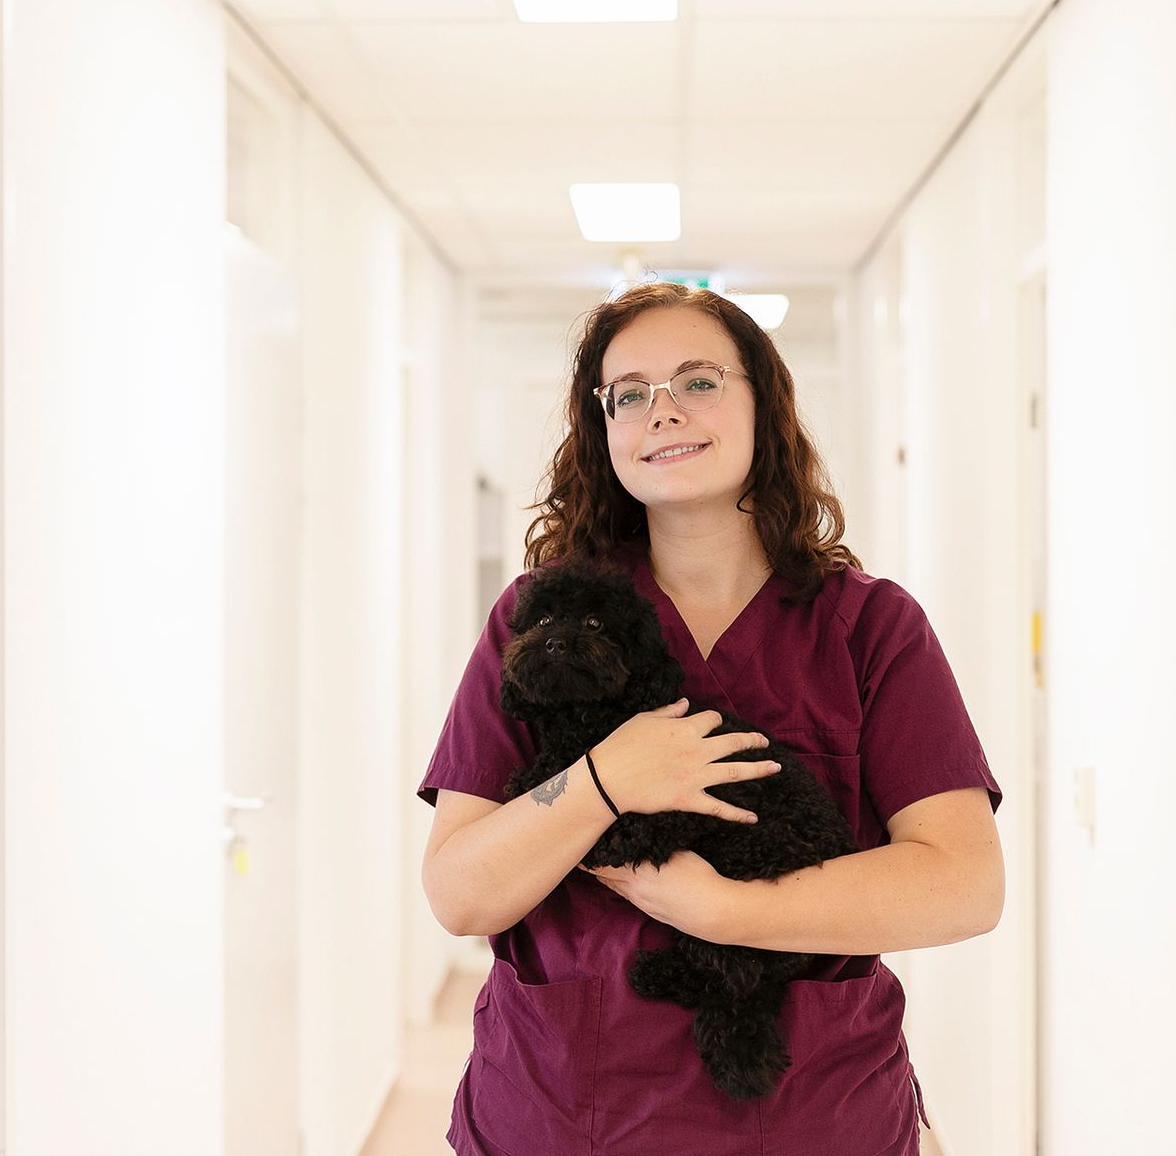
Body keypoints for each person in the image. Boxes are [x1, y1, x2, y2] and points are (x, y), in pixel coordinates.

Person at [417, 282, 1004, 1155]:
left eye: (698, 381)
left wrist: (724, 910)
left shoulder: (869, 629)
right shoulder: (538, 618)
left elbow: (964, 885)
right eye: (631, 393)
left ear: (763, 404)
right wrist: (606, 781)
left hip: (812, 1113)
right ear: (603, 427)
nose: (663, 413)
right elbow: (460, 893)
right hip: (563, 1115)